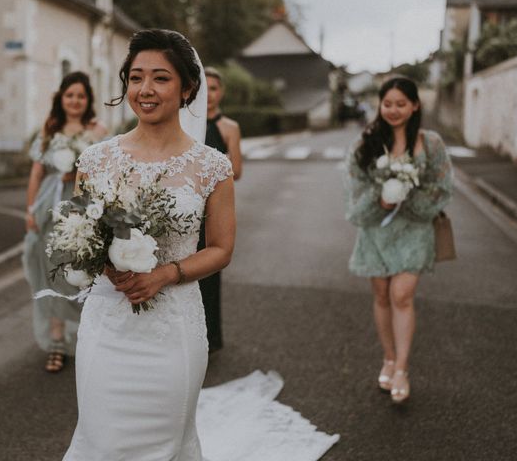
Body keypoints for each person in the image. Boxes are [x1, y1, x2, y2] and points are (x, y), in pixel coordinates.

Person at [62, 29, 338, 461]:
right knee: (102, 438)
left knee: (167, 441)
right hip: (107, 325)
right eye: (135, 78)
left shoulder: (211, 166)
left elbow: (222, 249)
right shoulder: (95, 161)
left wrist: (166, 274)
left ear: (188, 87)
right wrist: (105, 265)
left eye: (160, 78)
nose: (145, 90)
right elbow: (79, 236)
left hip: (172, 328)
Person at [344, 77, 453, 404]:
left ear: (415, 105)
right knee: (381, 295)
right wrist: (381, 200)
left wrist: (411, 196)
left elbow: (443, 187)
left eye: (401, 104)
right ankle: (388, 358)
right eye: (387, 104)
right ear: (380, 105)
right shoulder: (366, 143)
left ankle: (403, 368)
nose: (393, 110)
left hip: (415, 230)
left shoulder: (431, 143)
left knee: (401, 295)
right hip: (376, 231)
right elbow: (355, 192)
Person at [23, 71, 106, 373]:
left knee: (83, 271)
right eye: (70, 95)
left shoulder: (97, 131)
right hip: (49, 207)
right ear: (62, 98)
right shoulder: (50, 129)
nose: (75, 101)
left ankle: (90, 337)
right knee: (52, 273)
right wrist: (30, 209)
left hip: (82, 208)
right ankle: (57, 340)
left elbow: (105, 170)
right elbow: (36, 173)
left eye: (81, 96)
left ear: (88, 100)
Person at [197, 66, 242, 353]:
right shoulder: (186, 123)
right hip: (184, 205)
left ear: (221, 92)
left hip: (212, 208)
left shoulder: (229, 127)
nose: (210, 94)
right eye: (205, 88)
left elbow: (236, 170)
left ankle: (209, 338)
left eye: (214, 88)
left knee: (209, 274)